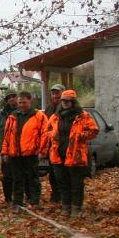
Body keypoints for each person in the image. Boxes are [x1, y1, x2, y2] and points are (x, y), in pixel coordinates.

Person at [46, 89, 98, 217]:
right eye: (63, 101)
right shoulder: (55, 116)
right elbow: (47, 130)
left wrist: (80, 136)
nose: (65, 103)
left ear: (73, 102)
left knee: (76, 183)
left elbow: (94, 130)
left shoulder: (83, 115)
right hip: (58, 155)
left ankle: (76, 208)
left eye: (68, 101)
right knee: (63, 182)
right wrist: (52, 135)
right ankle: (66, 207)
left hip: (76, 155)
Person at [0, 92, 49, 207]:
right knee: (17, 179)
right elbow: (6, 136)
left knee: (33, 179)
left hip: (31, 153)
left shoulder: (39, 116)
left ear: (30, 101)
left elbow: (45, 134)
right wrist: (5, 152)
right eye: (20, 103)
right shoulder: (12, 117)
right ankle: (18, 202)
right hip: (15, 154)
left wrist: (42, 151)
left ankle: (34, 201)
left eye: (24, 102)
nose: (21, 105)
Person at [0, 91, 19, 203]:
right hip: (5, 149)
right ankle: (8, 198)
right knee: (7, 175)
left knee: (20, 175)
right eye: (9, 98)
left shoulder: (22, 111)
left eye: (14, 97)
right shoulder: (1, 114)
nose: (12, 99)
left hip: (20, 148)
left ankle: (20, 198)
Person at [44, 83, 65, 202]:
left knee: (62, 174)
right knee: (52, 173)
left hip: (63, 146)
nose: (55, 95)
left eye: (57, 93)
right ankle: (56, 195)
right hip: (51, 146)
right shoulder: (49, 108)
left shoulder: (67, 108)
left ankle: (64, 196)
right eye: (53, 93)